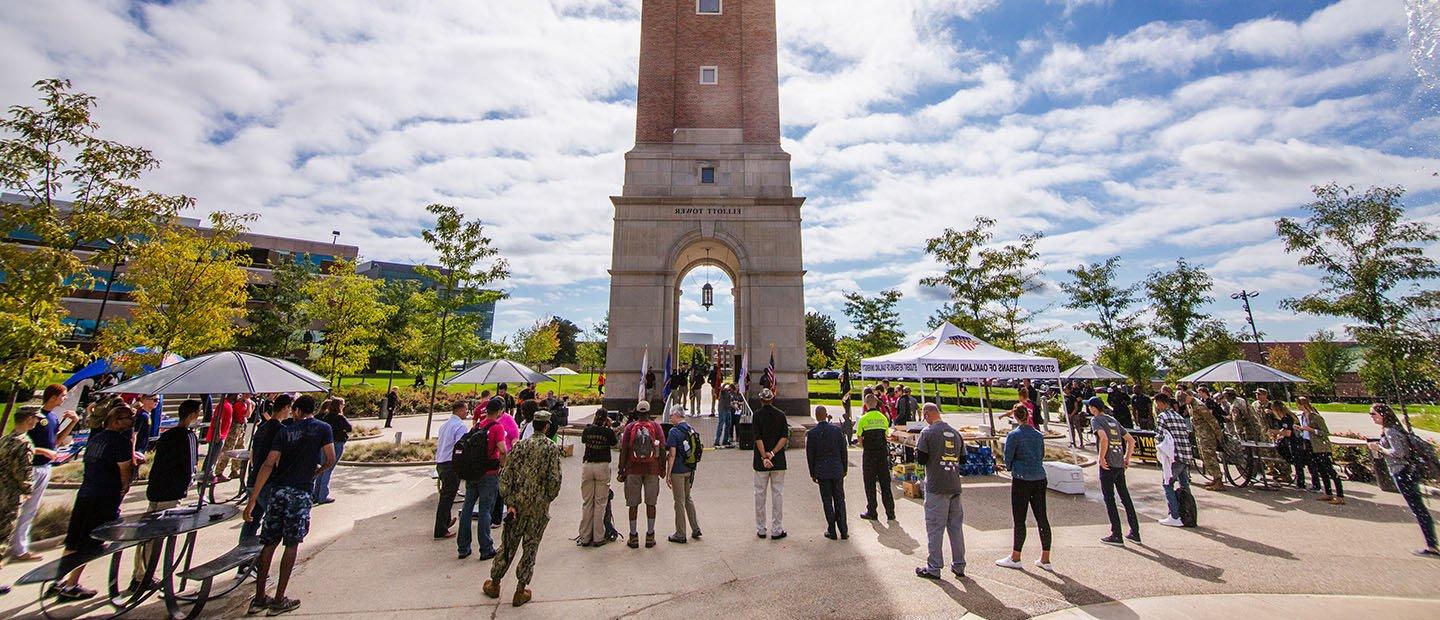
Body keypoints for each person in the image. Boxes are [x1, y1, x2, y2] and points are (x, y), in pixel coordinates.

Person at [244, 394, 336, 616]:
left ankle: (259, 597)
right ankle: (279, 599)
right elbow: (331, 458)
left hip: (278, 490)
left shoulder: (284, 431)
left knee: (269, 542)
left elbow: (268, 463)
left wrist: (253, 498)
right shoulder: (322, 428)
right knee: (292, 543)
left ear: (296, 410)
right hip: (300, 491)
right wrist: (318, 471)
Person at [53, 403, 137, 601]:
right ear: (116, 421)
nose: (131, 422)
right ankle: (72, 584)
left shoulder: (96, 438)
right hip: (104, 496)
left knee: (74, 539)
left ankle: (58, 580)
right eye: (127, 418)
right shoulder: (120, 442)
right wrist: (124, 487)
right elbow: (124, 469)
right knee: (90, 542)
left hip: (86, 492)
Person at [483, 411, 562, 608]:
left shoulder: (520, 447)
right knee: (531, 546)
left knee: (508, 544)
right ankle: (520, 589)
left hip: (516, 505)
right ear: (546, 426)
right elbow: (555, 480)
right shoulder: (551, 448)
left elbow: (506, 476)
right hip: (538, 507)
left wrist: (509, 501)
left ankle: (495, 582)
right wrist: (546, 499)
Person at [132, 399, 201, 591]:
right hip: (172, 490)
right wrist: (188, 485)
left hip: (155, 488)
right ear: (193, 415)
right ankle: (147, 576)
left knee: (147, 534)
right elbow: (191, 468)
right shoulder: (188, 436)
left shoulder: (168, 434)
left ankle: (139, 573)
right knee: (160, 536)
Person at [12, 384, 79, 563]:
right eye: (63, 396)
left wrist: (72, 422)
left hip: (45, 467)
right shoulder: (35, 418)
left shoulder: (53, 418)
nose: (65, 399)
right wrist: (43, 451)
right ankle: (17, 547)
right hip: (30, 468)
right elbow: (20, 442)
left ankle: (19, 547)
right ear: (53, 397)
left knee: (31, 509)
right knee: (18, 509)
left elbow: (56, 442)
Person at [1369, 403, 1438, 556]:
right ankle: (1432, 543)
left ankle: (1432, 545)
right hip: (1406, 472)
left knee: (1418, 509)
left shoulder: (1390, 431)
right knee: (1419, 508)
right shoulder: (1393, 429)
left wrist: (1379, 448)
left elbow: (1399, 452)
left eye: (1373, 414)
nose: (1371, 417)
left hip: (1403, 473)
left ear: (1382, 414)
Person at [915, 403, 966, 580]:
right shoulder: (956, 433)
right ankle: (959, 564)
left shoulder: (927, 433)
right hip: (954, 484)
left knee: (935, 527)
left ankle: (934, 566)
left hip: (936, 485)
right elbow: (964, 459)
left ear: (928, 414)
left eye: (924, 416)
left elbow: (921, 459)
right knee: (956, 527)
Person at [998, 405, 1051, 571]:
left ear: (1015, 417)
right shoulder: (1038, 435)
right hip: (1039, 477)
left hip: (1021, 478)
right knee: (1042, 517)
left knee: (1019, 519)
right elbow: (1042, 454)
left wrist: (1008, 467)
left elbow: (1008, 456)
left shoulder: (1014, 435)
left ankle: (1016, 556)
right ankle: (1045, 557)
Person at [0, 406, 40, 596]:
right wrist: (27, 490)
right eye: (35, 418)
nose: (37, 422)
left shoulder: (5, 439)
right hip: (10, 495)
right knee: (2, 536)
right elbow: (23, 472)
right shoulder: (24, 443)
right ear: (28, 419)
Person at [460, 400, 507, 560]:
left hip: (473, 472)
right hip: (489, 473)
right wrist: (502, 464)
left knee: (467, 508)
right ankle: (485, 547)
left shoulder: (478, 426)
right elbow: (502, 449)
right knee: (485, 510)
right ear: (500, 411)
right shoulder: (497, 427)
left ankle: (463, 547)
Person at [1090, 397, 1140, 546]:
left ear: (1094, 408)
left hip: (1108, 464)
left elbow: (1103, 438)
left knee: (1109, 499)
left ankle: (1116, 534)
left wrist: (1101, 457)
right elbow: (1131, 440)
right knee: (1125, 498)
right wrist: (1127, 458)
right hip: (1119, 463)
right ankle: (1135, 532)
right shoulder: (1113, 420)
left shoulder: (1096, 420)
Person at [618, 401, 665, 548]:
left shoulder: (630, 427)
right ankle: (650, 535)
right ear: (649, 412)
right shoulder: (656, 427)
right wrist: (662, 468)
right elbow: (662, 447)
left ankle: (633, 536)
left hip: (633, 469)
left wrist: (621, 469)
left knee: (633, 504)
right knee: (651, 503)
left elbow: (624, 449)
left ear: (637, 413)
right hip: (652, 469)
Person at [752, 388, 790, 540]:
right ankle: (777, 528)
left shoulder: (757, 415)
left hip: (761, 461)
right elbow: (784, 437)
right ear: (772, 399)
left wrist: (764, 456)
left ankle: (761, 528)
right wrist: (772, 454)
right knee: (777, 494)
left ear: (761, 400)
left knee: (760, 494)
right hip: (778, 460)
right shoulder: (781, 415)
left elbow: (758, 438)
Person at [806, 405, 848, 540]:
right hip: (837, 469)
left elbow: (810, 455)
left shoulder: (812, 434)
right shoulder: (837, 431)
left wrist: (812, 473)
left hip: (822, 471)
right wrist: (844, 468)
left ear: (816, 416)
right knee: (840, 499)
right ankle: (844, 530)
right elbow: (843, 451)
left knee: (827, 500)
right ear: (826, 415)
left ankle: (832, 530)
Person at [578, 408, 617, 547]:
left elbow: (583, 440)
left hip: (588, 465)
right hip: (602, 465)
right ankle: (598, 536)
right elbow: (614, 443)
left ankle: (584, 536)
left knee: (587, 502)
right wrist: (610, 427)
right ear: (606, 419)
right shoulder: (608, 432)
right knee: (600, 503)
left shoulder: (588, 430)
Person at [1154, 393, 1194, 527]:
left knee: (1167, 484)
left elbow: (1159, 436)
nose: (1157, 407)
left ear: (1161, 403)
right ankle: (1189, 513)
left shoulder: (1162, 416)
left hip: (1173, 456)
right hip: (1185, 454)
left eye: (1157, 404)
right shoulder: (1178, 416)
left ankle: (1175, 516)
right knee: (1184, 485)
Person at [1296, 397, 1344, 504]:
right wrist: (1300, 429)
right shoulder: (1303, 416)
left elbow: (1325, 432)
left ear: (1302, 404)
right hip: (1309, 444)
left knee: (1330, 470)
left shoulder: (1315, 417)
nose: (1297, 407)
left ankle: (1340, 495)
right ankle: (1328, 493)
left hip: (1320, 446)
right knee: (1321, 470)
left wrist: (1311, 430)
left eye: (1298, 404)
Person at [434, 401, 469, 541]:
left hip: (441, 462)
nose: (467, 412)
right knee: (447, 498)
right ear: (460, 410)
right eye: (466, 409)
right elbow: (460, 448)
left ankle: (445, 522)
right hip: (451, 464)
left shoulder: (445, 425)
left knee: (445, 495)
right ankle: (440, 529)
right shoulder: (460, 426)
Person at [857, 393, 895, 522]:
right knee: (885, 484)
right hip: (882, 454)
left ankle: (872, 511)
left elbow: (859, 438)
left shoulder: (863, 419)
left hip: (869, 454)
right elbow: (886, 436)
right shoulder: (883, 418)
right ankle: (890, 512)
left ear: (866, 404)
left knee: (870, 484)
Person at [665, 408, 702, 543]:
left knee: (678, 501)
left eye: (671, 416)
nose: (670, 418)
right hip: (689, 469)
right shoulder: (690, 428)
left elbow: (672, 454)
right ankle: (695, 527)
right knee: (688, 498)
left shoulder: (673, 432)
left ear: (676, 415)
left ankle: (680, 533)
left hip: (678, 470)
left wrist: (668, 473)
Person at [313, 397, 351, 505]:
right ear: (339, 406)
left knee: (323, 468)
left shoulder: (326, 416)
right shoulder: (340, 418)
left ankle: (316, 494)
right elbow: (349, 428)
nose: (343, 406)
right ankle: (322, 495)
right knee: (328, 469)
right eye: (342, 404)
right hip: (337, 443)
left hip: (325, 444)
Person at [1187, 388, 1225, 492]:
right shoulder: (1190, 405)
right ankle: (1214, 478)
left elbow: (1212, 421)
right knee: (1205, 457)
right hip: (1200, 435)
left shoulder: (1199, 405)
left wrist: (1218, 435)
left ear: (1189, 396)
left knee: (1210, 457)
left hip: (1207, 436)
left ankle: (1219, 481)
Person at [1267, 401, 1307, 489]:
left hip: (1295, 441)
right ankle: (1300, 481)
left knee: (1297, 462)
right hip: (1292, 441)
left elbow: (1288, 433)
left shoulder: (1287, 418)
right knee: (1296, 462)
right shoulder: (1283, 418)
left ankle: (1301, 483)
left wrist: (1275, 431)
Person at [207, 394, 237, 483]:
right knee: (212, 456)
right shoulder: (223, 405)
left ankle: (209, 472)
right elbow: (217, 419)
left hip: (222, 435)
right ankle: (208, 473)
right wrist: (218, 434)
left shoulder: (228, 404)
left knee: (215, 456)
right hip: (217, 436)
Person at [714, 383, 736, 448]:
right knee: (721, 424)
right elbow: (721, 389)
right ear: (730, 388)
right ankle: (717, 441)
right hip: (722, 409)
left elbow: (729, 402)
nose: (733, 391)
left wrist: (734, 407)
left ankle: (725, 440)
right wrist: (726, 384)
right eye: (732, 389)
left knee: (728, 425)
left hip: (728, 409)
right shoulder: (725, 391)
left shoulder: (730, 393)